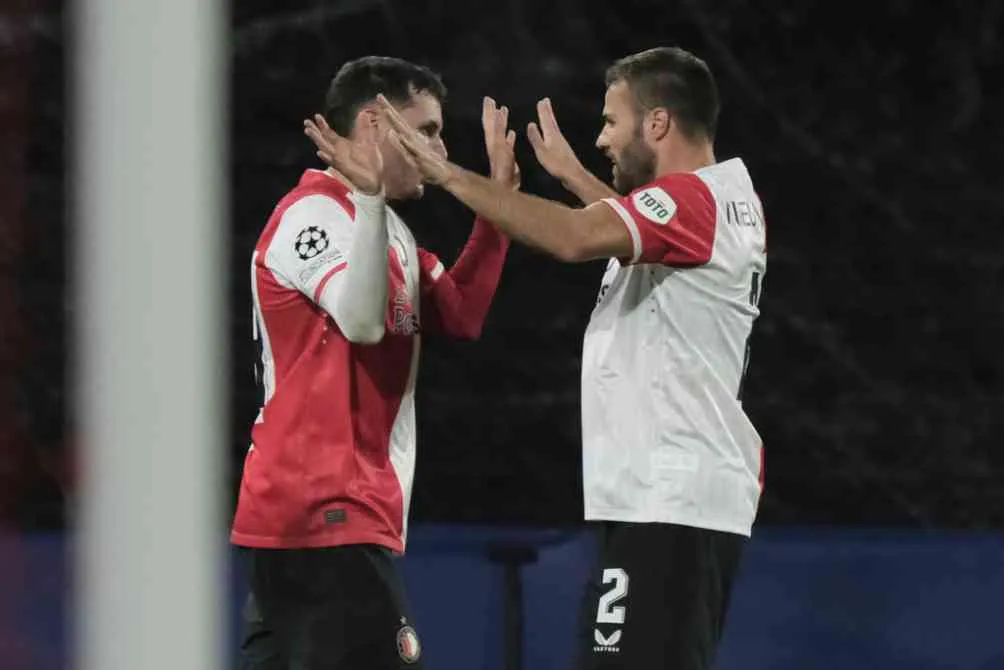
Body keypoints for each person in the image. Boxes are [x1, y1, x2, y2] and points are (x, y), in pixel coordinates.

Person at [373, 46, 767, 670]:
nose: (602, 138)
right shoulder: (715, 205)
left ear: (658, 124)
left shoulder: (694, 202)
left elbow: (575, 237)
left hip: (667, 501)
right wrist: (572, 178)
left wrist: (448, 175)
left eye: (612, 121)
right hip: (672, 498)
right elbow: (624, 223)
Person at [231, 56, 518, 670]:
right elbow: (360, 323)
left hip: (307, 521)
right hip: (325, 510)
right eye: (429, 130)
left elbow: (460, 313)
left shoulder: (387, 232)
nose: (439, 148)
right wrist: (365, 201)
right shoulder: (315, 215)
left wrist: (499, 205)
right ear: (375, 124)